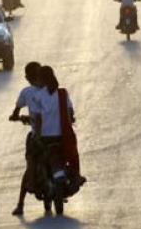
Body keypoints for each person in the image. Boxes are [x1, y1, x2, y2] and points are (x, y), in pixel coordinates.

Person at [32, 66, 85, 193]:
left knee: (34, 157)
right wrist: (71, 119)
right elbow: (70, 112)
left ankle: (34, 182)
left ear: (41, 79)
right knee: (73, 154)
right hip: (62, 136)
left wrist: (37, 136)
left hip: (45, 138)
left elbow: (37, 119)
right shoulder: (63, 93)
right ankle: (76, 176)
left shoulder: (37, 96)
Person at [11, 62, 43, 216]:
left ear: (27, 78)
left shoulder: (27, 92)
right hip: (57, 134)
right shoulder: (53, 91)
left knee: (31, 163)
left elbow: (16, 112)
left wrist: (17, 117)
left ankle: (20, 204)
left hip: (37, 136)